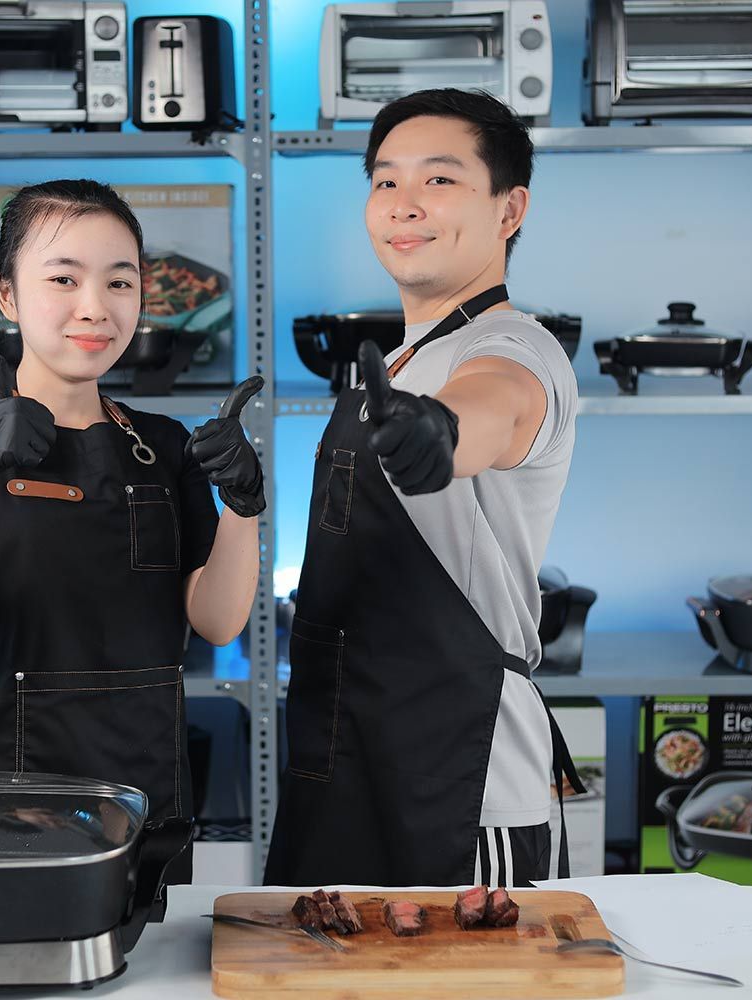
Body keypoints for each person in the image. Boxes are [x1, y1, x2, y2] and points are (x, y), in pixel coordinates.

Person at [0, 180, 264, 879]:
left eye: (120, 282)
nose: (95, 307)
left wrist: (244, 505)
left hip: (144, 804)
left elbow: (217, 621)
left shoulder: (164, 442)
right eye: (64, 278)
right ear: (7, 295)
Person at [264, 89, 583, 889]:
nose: (404, 204)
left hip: (463, 778)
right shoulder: (401, 358)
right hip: (348, 751)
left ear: (510, 209)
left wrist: (442, 433)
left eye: (439, 181)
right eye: (385, 182)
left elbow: (496, 405)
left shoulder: (516, 346)